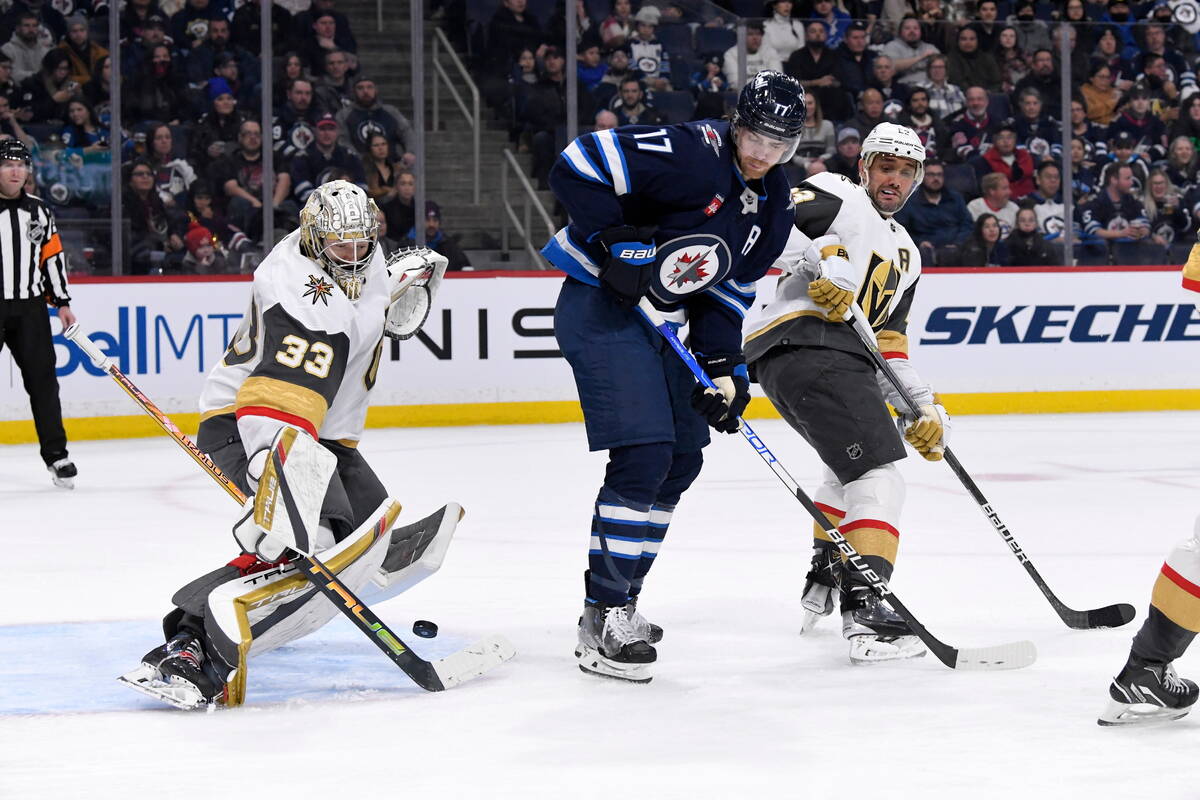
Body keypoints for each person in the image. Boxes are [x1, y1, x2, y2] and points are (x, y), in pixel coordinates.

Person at [118, 180, 456, 709]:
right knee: (307, 544)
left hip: (318, 432)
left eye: (362, 244)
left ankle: (331, 561)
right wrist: (274, 487)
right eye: (341, 247)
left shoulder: (355, 256)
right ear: (315, 240)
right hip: (252, 425)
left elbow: (361, 302)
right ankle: (190, 644)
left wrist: (388, 284)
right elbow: (273, 405)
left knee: (369, 531)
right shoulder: (304, 303)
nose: (353, 256)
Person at [540, 71, 804, 683]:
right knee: (644, 453)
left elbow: (729, 292)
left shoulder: (776, 205)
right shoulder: (692, 152)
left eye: (780, 143)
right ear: (738, 124)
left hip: (661, 323)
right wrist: (616, 241)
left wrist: (726, 370)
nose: (765, 153)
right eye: (758, 137)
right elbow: (578, 162)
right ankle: (600, 613)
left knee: (683, 456)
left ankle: (623, 601)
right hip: (600, 307)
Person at [743, 122, 944, 663]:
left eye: (906, 172)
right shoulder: (837, 192)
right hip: (810, 344)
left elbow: (890, 346)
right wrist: (820, 258)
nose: (894, 180)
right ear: (864, 167)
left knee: (847, 471)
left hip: (812, 360)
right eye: (886, 167)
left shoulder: (909, 255)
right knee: (880, 478)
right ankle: (869, 610)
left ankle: (828, 572)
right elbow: (762, 223)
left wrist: (921, 407)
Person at [0, 138, 76, 488]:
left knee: (44, 383)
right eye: (7, 164)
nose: (15, 171)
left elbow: (52, 258)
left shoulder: (40, 211)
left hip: (30, 308)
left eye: (21, 164)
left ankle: (57, 456)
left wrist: (61, 302)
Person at [893, 157, 972, 265]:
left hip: (953, 249)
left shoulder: (955, 198)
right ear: (922, 177)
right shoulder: (910, 201)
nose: (936, 179)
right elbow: (901, 229)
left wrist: (958, 243)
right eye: (931, 175)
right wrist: (919, 242)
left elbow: (967, 224)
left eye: (939, 175)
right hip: (924, 250)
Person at [967, 172, 1018, 237]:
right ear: (992, 191)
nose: (1009, 192)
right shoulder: (975, 207)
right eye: (1004, 188)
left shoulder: (1014, 208)